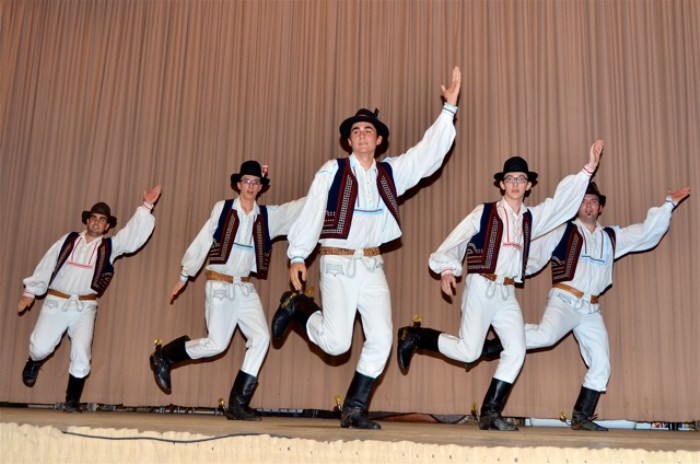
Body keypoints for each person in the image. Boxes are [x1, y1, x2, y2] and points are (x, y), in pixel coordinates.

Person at [270, 67, 462, 430]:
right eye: (356, 131)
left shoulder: (390, 173)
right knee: (337, 344)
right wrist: (297, 255)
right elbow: (312, 212)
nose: (362, 135)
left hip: (372, 266)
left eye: (368, 130)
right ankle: (297, 307)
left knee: (382, 338)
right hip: (337, 264)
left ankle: (354, 409)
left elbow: (425, 156)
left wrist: (449, 109)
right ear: (348, 140)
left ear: (379, 140)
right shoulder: (332, 171)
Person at [396, 141, 604, 431]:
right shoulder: (484, 213)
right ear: (502, 184)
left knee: (516, 351)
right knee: (470, 352)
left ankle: (490, 413)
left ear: (529, 185)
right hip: (481, 286)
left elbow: (561, 204)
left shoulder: (532, 218)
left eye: (521, 179)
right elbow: (458, 238)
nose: (515, 183)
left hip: (507, 293)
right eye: (510, 179)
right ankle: (416, 336)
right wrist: (447, 268)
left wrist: (588, 169)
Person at [480, 182, 691, 431]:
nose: (589, 205)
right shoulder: (563, 231)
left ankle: (581, 416)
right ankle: (497, 346)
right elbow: (532, 255)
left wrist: (669, 204)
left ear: (600, 208)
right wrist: (501, 274)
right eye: (584, 201)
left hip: (591, 308)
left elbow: (646, 233)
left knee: (601, 362)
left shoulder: (611, 237)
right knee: (546, 336)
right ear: (577, 206)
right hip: (564, 300)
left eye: (593, 201)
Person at [149, 161, 304, 421]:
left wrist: (326, 190)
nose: (250, 186)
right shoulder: (222, 209)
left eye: (255, 182)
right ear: (238, 184)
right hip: (220, 284)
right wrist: (185, 274)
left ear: (261, 187)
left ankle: (238, 403)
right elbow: (203, 240)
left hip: (244, 287)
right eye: (246, 181)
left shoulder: (268, 217)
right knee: (217, 344)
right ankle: (164, 356)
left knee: (261, 338)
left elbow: (297, 209)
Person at [18, 185, 163, 412]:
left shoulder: (109, 246)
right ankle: (34, 361)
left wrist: (146, 206)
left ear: (107, 226)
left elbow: (131, 235)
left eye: (102, 219)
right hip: (55, 302)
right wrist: (30, 292)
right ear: (87, 221)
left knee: (82, 353)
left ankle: (72, 401)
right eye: (93, 218)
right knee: (40, 348)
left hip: (84, 306)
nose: (96, 222)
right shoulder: (68, 240)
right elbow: (47, 263)